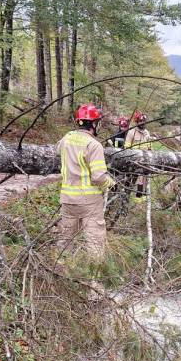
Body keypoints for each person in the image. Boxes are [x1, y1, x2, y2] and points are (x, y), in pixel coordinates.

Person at [55, 103, 115, 260]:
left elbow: (57, 150)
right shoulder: (94, 145)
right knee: (95, 241)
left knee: (65, 239)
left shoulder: (66, 138)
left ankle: (61, 270)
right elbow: (98, 177)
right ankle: (94, 279)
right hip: (89, 202)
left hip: (67, 199)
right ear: (94, 124)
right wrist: (111, 183)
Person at [125, 112, 154, 202]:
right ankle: (125, 195)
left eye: (144, 121)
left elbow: (150, 147)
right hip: (133, 161)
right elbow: (126, 147)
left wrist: (151, 155)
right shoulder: (131, 133)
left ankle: (139, 199)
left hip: (145, 161)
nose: (143, 123)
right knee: (130, 179)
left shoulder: (147, 133)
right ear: (137, 122)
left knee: (143, 180)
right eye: (141, 121)